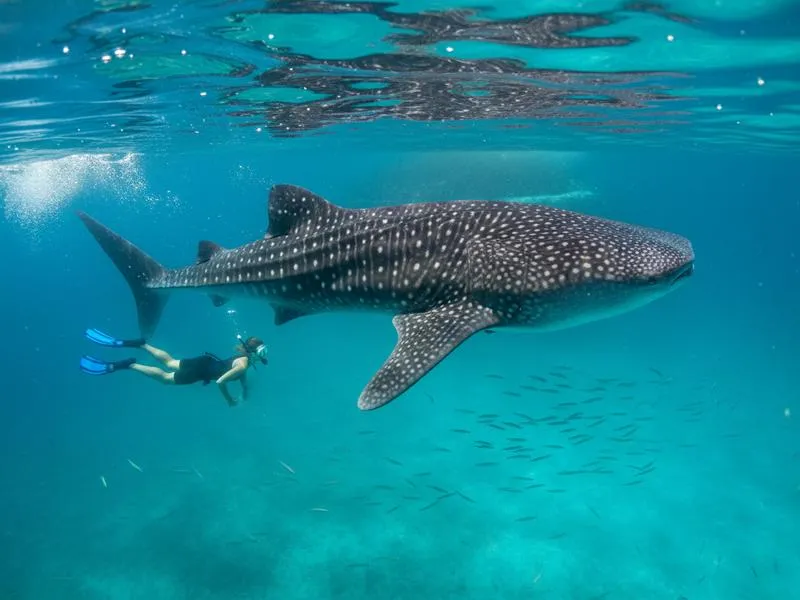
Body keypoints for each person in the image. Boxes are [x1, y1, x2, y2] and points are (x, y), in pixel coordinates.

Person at [79, 329, 267, 407]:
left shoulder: (243, 359)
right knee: (166, 378)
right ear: (254, 352)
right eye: (262, 351)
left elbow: (238, 373)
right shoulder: (244, 364)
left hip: (205, 361)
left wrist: (245, 390)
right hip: (201, 372)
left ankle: (141, 344)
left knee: (169, 361)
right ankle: (129, 364)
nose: (264, 355)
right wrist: (229, 401)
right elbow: (220, 381)